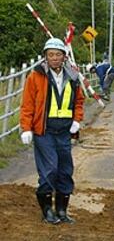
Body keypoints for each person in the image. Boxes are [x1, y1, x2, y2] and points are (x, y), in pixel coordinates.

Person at [20, 38, 85, 224]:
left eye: (58, 54)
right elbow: (27, 105)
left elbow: (79, 101)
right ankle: (47, 210)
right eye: (50, 55)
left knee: (65, 171)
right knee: (49, 170)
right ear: (45, 57)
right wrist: (26, 128)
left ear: (64, 57)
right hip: (44, 131)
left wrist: (77, 120)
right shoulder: (36, 76)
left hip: (64, 131)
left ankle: (62, 211)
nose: (54, 58)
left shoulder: (72, 76)